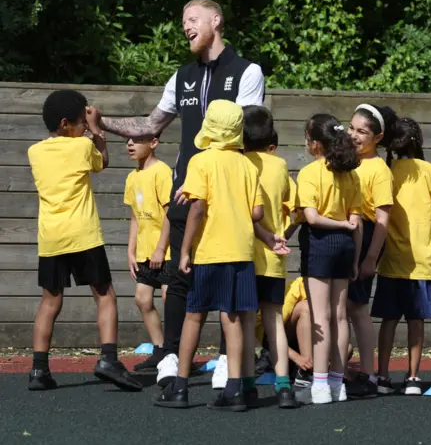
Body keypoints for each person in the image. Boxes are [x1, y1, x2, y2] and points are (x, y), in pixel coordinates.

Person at [99, 0, 265, 388]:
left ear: (216, 19)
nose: (185, 26)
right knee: (179, 278)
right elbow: (150, 124)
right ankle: (170, 358)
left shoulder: (247, 71)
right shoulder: (182, 76)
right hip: (183, 193)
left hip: (225, 194)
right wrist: (100, 122)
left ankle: (228, 359)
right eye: (183, 21)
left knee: (228, 277)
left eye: (192, 19)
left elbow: (247, 131)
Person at [154, 100, 272, 411]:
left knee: (194, 315)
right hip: (241, 251)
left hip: (209, 250)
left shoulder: (201, 162)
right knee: (232, 318)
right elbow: (257, 212)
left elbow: (198, 208)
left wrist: (183, 251)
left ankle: (179, 387)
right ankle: (235, 388)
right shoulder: (248, 165)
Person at [27, 89, 141, 392]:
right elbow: (102, 162)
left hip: (51, 238)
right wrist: (95, 131)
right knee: (105, 295)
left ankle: (38, 370)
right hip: (83, 235)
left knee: (50, 302)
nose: (83, 125)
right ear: (66, 123)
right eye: (79, 121)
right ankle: (108, 359)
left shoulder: (35, 152)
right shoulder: (81, 147)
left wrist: (85, 128)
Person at [373, 117, 431, 395]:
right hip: (422, 260)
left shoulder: (386, 170)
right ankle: (414, 377)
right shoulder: (428, 170)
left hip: (391, 260)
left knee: (388, 320)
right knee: (416, 321)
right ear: (418, 141)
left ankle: (382, 375)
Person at [296, 114, 362, 405]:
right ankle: (338, 382)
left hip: (321, 245)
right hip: (345, 248)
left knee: (320, 317)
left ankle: (320, 384)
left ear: (317, 144)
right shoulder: (351, 173)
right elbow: (356, 220)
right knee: (339, 316)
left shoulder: (310, 173)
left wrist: (339, 226)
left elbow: (311, 217)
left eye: (308, 138)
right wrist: (355, 258)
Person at [242, 105, 298, 408]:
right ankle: (284, 385)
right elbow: (297, 208)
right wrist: (283, 235)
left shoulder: (239, 164)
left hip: (245, 254)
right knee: (275, 319)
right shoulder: (279, 165)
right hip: (275, 258)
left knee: (249, 320)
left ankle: (248, 383)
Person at [345, 104, 395, 398]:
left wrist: (371, 259)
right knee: (341, 309)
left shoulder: (379, 170)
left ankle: (367, 372)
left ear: (377, 137)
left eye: (361, 131)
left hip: (364, 240)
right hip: (344, 237)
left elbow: (382, 220)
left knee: (358, 308)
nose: (353, 135)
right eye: (351, 128)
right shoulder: (345, 160)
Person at [124, 135, 173, 371]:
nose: (130, 145)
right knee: (142, 299)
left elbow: (169, 214)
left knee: (169, 299)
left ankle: (176, 352)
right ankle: (160, 349)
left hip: (167, 252)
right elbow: (135, 216)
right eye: (127, 141)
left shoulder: (162, 172)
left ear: (153, 143)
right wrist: (131, 251)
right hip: (144, 252)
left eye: (136, 140)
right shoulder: (132, 177)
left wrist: (161, 249)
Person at [255, 277, 314, 404]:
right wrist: (297, 357)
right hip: (285, 348)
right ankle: (304, 373)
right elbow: (266, 335)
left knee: (347, 350)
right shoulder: (296, 289)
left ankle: (310, 369)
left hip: (311, 346)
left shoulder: (335, 293)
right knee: (305, 307)